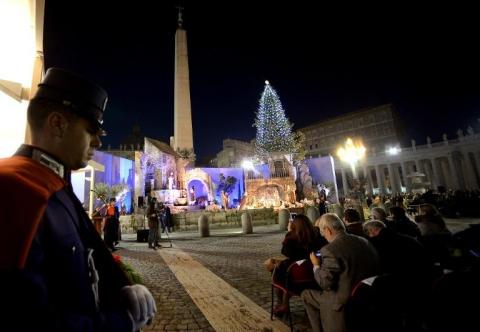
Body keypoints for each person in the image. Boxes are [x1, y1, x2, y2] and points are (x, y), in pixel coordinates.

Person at [0, 68, 156, 331]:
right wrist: (122, 322)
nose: (97, 140)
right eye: (91, 129)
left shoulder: (56, 185)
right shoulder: (15, 192)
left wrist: (122, 287)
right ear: (57, 124)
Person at [301, 213, 380, 332]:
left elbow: (325, 283)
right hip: (369, 294)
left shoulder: (329, 250)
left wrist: (316, 266)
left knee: (306, 295)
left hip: (343, 302)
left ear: (328, 230)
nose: (324, 238)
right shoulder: (364, 241)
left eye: (323, 234)